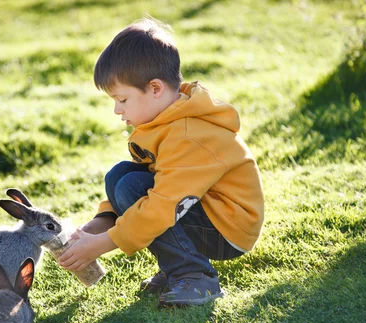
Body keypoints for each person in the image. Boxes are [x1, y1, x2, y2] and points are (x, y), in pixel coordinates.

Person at [57, 17, 264, 308]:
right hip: (203, 210)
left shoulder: (187, 135)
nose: (117, 110)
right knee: (121, 176)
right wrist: (99, 225)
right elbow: (149, 180)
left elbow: (162, 205)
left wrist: (105, 243)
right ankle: (175, 270)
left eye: (123, 99)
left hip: (228, 227)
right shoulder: (162, 121)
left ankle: (196, 278)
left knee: (132, 186)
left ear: (155, 88)